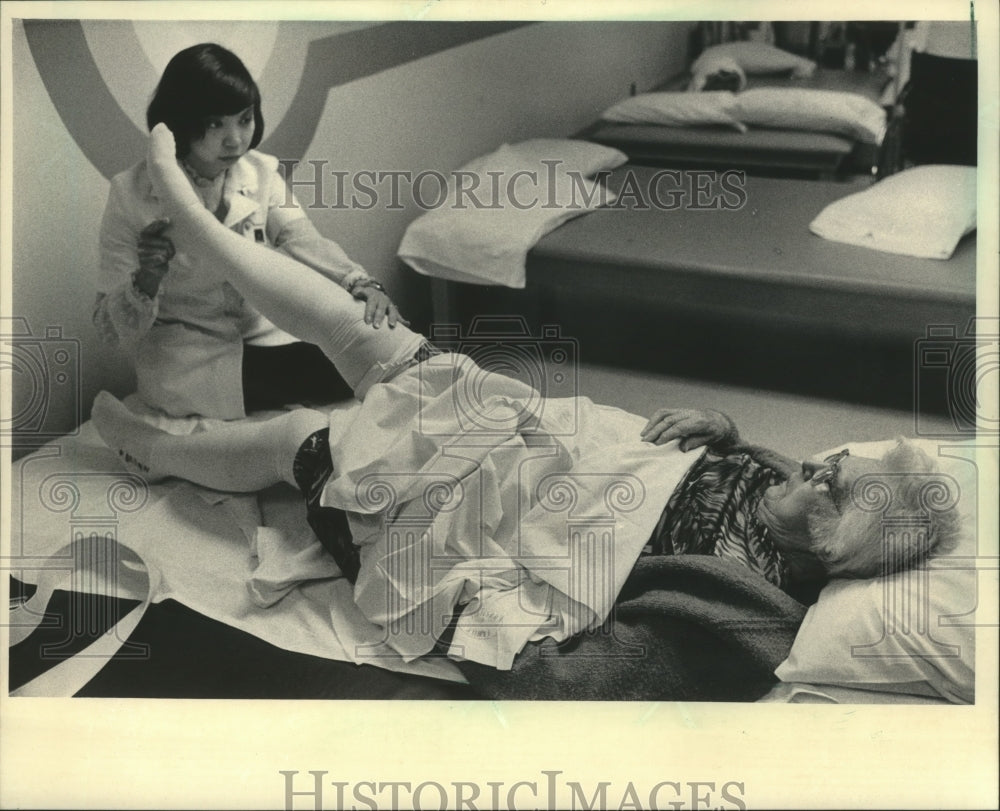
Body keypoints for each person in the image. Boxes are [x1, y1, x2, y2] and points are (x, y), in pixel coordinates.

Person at [91, 121, 962, 669]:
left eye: (828, 481)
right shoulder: (785, 497)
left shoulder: (750, 609)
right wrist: (724, 428)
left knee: (313, 443)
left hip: (503, 513)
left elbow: (586, 680)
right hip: (538, 444)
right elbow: (763, 464)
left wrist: (481, 611)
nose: (810, 461)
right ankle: (198, 225)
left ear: (829, 542)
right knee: (380, 344)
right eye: (833, 455)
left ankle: (157, 448)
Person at [93, 43, 408, 420]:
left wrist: (362, 283)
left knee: (386, 345)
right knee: (348, 371)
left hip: (262, 335)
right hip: (189, 355)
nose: (235, 140)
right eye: (214, 124)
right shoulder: (130, 195)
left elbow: (301, 238)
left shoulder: (259, 172)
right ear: (180, 121)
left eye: (244, 119)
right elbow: (109, 330)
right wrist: (147, 278)